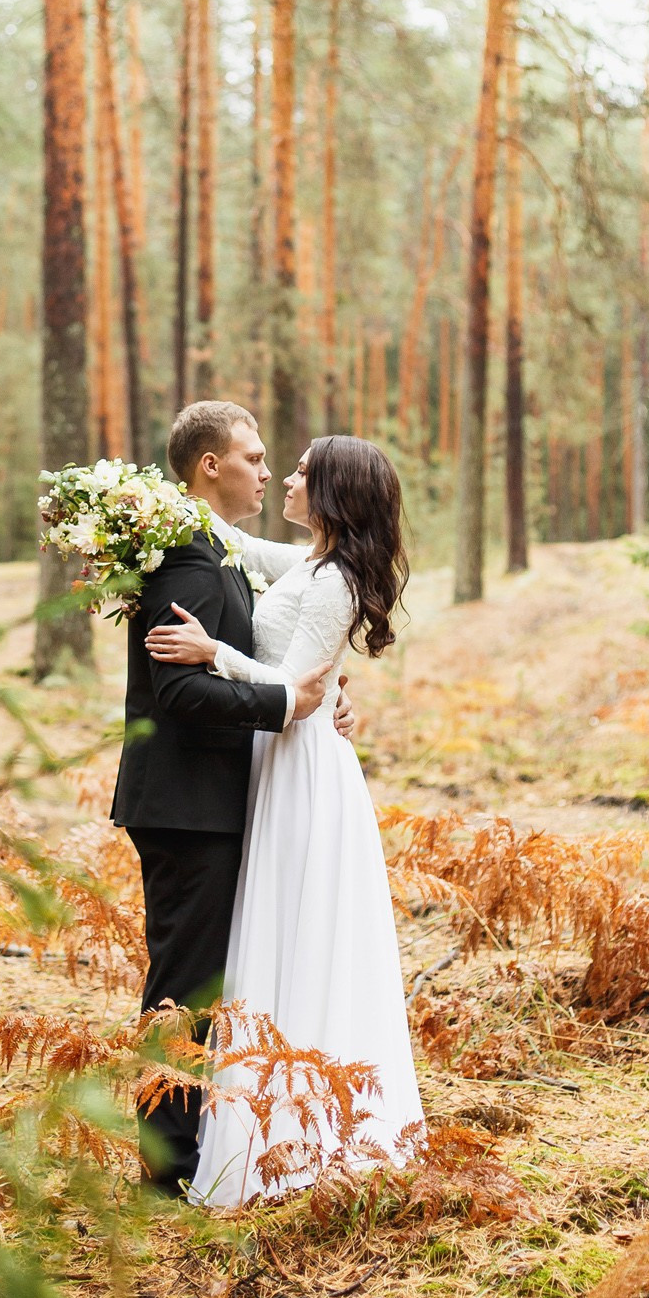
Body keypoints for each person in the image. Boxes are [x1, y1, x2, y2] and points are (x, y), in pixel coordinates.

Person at [146, 433, 423, 1208]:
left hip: (302, 766)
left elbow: (294, 685)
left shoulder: (334, 579)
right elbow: (227, 540)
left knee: (301, 927)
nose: (285, 478)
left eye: (300, 470)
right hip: (276, 761)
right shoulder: (303, 563)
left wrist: (212, 653)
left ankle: (307, 1127)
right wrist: (129, 509)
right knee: (274, 925)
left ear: (331, 490)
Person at [110, 400, 356, 1198]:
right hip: (186, 803)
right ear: (209, 466)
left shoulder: (218, 549)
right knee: (185, 987)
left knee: (204, 980)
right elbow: (180, 692)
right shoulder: (187, 558)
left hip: (217, 798)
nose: (266, 469)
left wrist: (322, 691)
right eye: (252, 458)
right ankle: (165, 1166)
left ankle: (189, 1144)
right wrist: (286, 707)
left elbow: (280, 640)